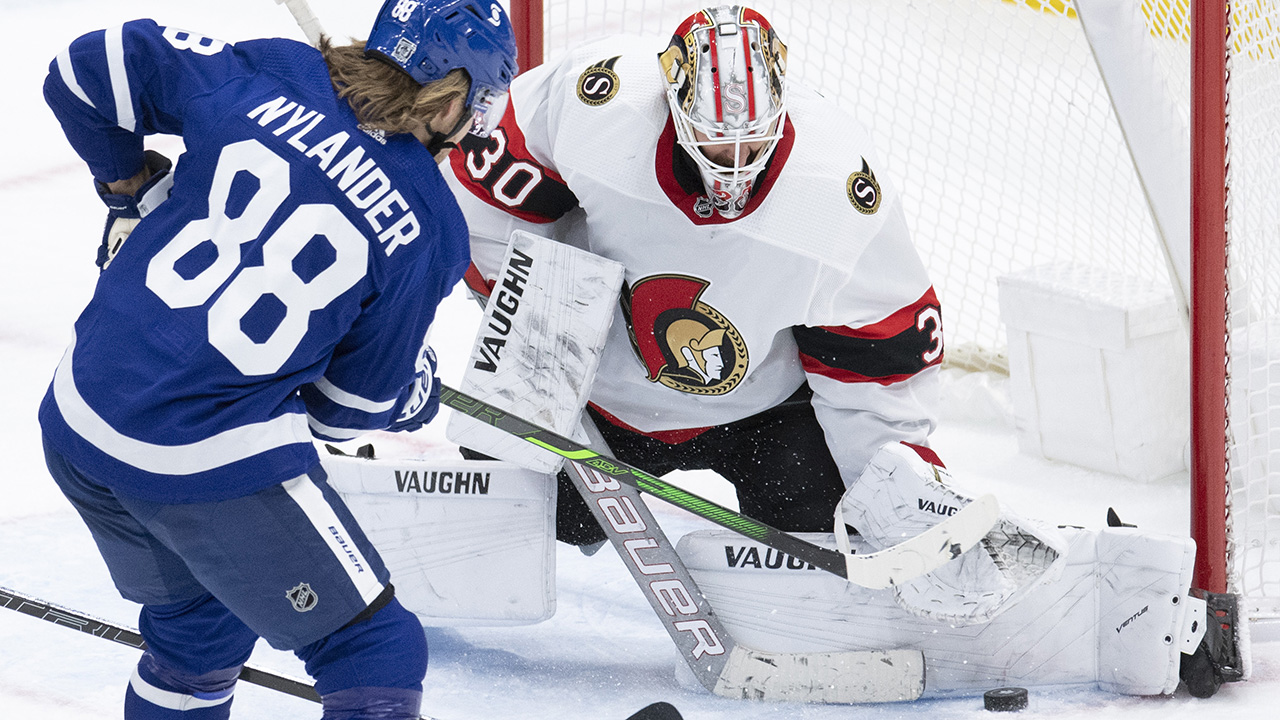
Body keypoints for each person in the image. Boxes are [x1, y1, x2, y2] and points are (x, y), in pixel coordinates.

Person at [442, 4, 1242, 699]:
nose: (731, 168)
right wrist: (533, 312)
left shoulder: (834, 190)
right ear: (670, 105)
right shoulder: (598, 101)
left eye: (748, 146)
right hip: (598, 395)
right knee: (516, 513)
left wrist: (895, 481)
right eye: (712, 146)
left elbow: (871, 353)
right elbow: (491, 193)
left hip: (762, 409)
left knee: (818, 574)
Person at [38, 1, 515, 718]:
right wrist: (411, 393)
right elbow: (344, 412)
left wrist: (127, 186)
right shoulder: (432, 227)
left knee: (198, 636)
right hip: (200, 458)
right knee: (374, 654)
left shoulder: (276, 68)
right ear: (450, 98)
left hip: (80, 414)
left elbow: (81, 72)